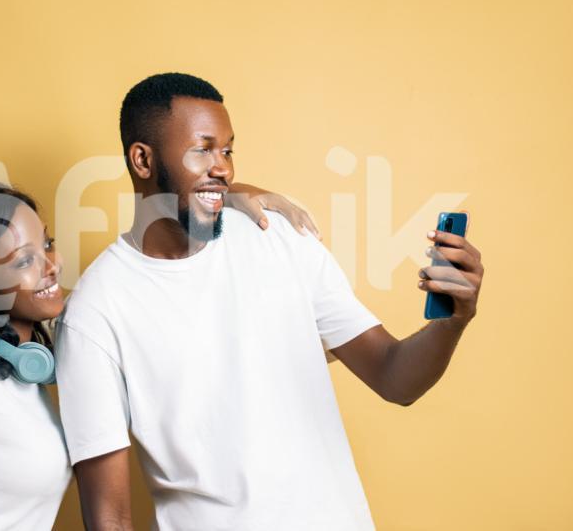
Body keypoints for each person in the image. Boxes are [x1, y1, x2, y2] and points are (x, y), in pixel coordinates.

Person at [54, 73, 485, 530]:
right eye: (202, 149)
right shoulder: (95, 312)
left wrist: (452, 321)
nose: (222, 168)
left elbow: (396, 378)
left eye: (228, 150)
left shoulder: (278, 236)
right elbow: (110, 518)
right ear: (142, 160)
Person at [0, 174, 317, 530]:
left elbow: (152, 276)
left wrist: (226, 195)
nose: (49, 266)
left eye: (47, 244)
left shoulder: (38, 356)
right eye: (23, 260)